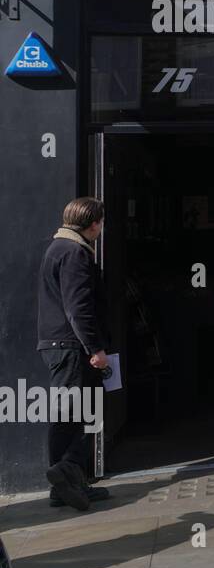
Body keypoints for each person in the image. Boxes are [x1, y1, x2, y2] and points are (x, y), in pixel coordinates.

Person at [37, 197, 112, 510]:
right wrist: (94, 348)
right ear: (93, 223)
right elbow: (77, 308)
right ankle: (67, 475)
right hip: (71, 346)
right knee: (77, 415)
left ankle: (66, 485)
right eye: (101, 222)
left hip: (59, 345)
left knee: (70, 415)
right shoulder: (74, 253)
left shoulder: (59, 248)